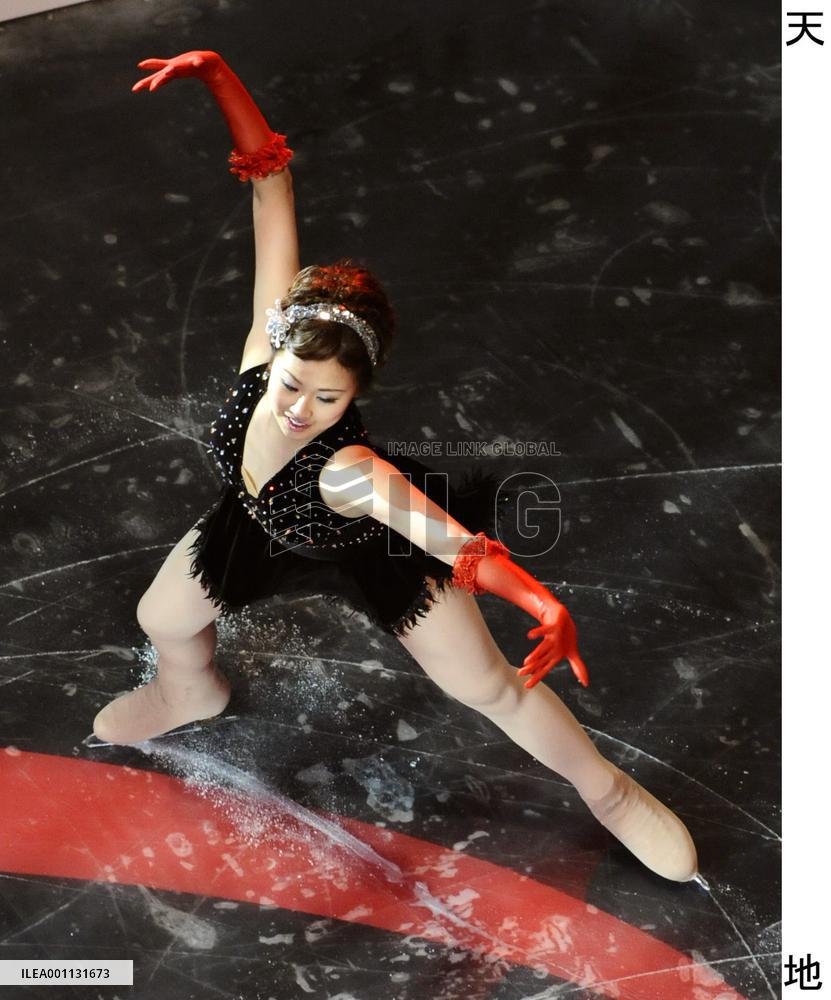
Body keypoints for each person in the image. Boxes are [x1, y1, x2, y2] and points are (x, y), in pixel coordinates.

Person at [91, 50, 699, 883]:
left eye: (328, 400)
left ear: (354, 399)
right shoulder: (260, 364)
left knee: (488, 689)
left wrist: (543, 601)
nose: (299, 408)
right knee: (163, 619)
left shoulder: (351, 473)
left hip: (366, 544)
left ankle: (608, 792)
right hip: (261, 521)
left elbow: (459, 549)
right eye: (294, 384)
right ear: (275, 350)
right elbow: (271, 182)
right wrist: (221, 77)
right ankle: (191, 691)